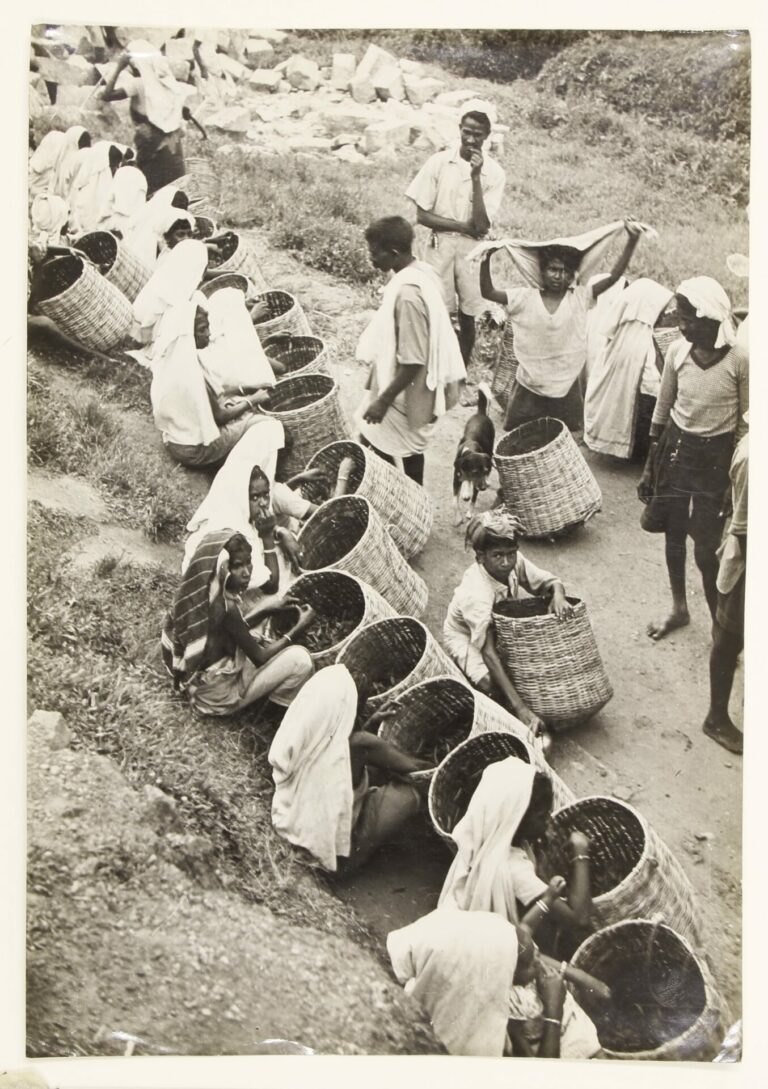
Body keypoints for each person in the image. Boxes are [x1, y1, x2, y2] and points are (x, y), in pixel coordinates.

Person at [638, 277, 748, 640]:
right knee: (673, 536)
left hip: (716, 461)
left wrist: (736, 479)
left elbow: (747, 425)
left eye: (689, 318)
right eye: (679, 317)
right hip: (676, 450)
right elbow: (662, 409)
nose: (681, 326)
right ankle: (678, 608)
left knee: (705, 547)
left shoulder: (739, 359)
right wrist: (650, 465)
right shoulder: (677, 354)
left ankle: (721, 626)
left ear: (711, 318)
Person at [476, 218, 646, 432]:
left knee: (560, 437)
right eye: (553, 269)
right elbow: (487, 292)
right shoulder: (524, 298)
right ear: (542, 271)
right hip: (530, 384)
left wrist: (631, 241)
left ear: (572, 275)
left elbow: (613, 277)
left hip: (566, 383)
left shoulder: (580, 298)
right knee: (521, 436)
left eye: (565, 271)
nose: (559, 276)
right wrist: (487, 257)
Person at [269, 664, 431, 873]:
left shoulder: (311, 733)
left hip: (295, 824)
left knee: (366, 770)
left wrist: (371, 723)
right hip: (332, 854)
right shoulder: (362, 743)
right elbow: (414, 767)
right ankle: (352, 860)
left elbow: (344, 753)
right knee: (407, 796)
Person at [386, 908, 601, 1058]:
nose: (538, 962)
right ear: (495, 975)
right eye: (529, 963)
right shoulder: (477, 1039)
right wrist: (554, 1010)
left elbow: (523, 950)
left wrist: (575, 975)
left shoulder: (466, 976)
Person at [438, 758, 593, 952]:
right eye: (542, 817)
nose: (548, 821)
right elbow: (579, 919)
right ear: (515, 819)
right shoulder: (514, 870)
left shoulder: (484, 834)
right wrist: (581, 851)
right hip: (504, 945)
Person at [356, 215, 466, 486]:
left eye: (375, 253)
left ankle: (408, 508)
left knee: (391, 454)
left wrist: (383, 400)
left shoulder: (407, 296)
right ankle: (409, 502)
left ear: (393, 254)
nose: (372, 259)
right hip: (406, 385)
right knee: (386, 447)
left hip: (407, 391)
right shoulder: (422, 272)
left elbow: (414, 360)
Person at [443, 510, 572, 735]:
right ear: (480, 557)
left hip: (501, 627)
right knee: (490, 684)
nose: (506, 562)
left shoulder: (514, 562)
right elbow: (488, 653)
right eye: (498, 556)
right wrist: (521, 709)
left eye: (511, 554)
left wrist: (558, 595)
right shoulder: (476, 592)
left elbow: (549, 582)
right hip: (466, 637)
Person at [162, 530, 315, 716]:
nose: (246, 572)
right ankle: (267, 714)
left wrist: (267, 609)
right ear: (222, 568)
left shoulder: (201, 593)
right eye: (237, 566)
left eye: (248, 562)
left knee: (261, 622)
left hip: (201, 680)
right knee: (300, 659)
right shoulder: (226, 607)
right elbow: (259, 657)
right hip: (214, 698)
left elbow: (229, 630)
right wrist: (299, 628)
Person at [405, 100, 505, 369]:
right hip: (441, 246)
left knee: (469, 313)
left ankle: (459, 370)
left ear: (487, 136)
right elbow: (422, 215)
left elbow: (482, 226)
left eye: (478, 134)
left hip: (472, 251)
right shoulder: (439, 163)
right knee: (436, 308)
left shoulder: (494, 173)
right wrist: (462, 227)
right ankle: (432, 366)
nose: (471, 139)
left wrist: (475, 177)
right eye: (467, 132)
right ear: (459, 129)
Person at [182, 421, 319, 602]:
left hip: (228, 583)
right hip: (220, 602)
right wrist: (268, 536)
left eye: (265, 495)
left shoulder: (231, 494)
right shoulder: (235, 533)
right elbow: (271, 585)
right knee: (292, 587)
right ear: (242, 497)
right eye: (255, 498)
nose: (263, 503)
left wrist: (278, 531)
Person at [147, 294, 270, 469]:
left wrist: (246, 388)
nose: (208, 334)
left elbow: (216, 390)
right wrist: (253, 400)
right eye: (202, 330)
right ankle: (243, 469)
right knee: (268, 426)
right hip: (196, 450)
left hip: (175, 438)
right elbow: (220, 417)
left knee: (237, 406)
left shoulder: (172, 359)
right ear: (189, 333)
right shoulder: (190, 375)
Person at [584, 278, 674, 460]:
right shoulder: (637, 339)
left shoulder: (631, 333)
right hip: (642, 400)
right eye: (661, 312)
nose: (663, 316)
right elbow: (651, 381)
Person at [98, 39, 200, 197]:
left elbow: (106, 95)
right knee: (172, 191)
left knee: (148, 190)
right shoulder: (169, 84)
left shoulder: (139, 84)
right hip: (172, 148)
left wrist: (119, 67)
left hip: (151, 147)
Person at [703, 415, 748, 754]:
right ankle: (716, 716)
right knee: (730, 637)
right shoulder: (751, 457)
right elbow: (745, 532)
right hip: (747, 562)